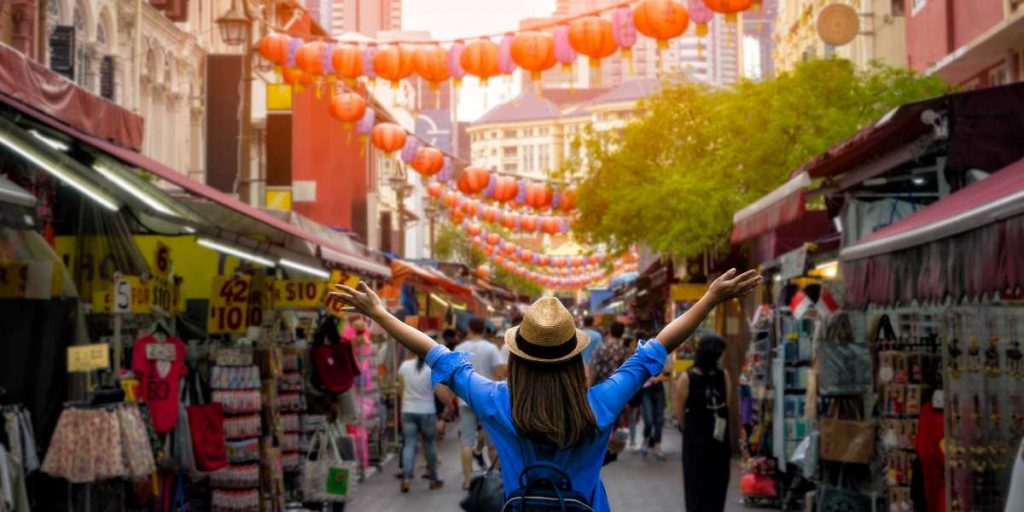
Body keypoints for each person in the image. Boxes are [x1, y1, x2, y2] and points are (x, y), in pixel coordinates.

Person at [331, 268, 759, 512]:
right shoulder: (600, 405)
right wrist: (709, 300)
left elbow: (439, 354)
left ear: (518, 356)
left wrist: (381, 315)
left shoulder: (499, 402)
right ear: (575, 357)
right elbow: (657, 349)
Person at [673, 334, 732, 512]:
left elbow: (727, 404)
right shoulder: (687, 378)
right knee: (696, 485)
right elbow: (679, 410)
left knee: (718, 484)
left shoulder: (724, 375)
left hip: (718, 441)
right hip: (696, 441)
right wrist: (689, 430)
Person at [454, 317, 504, 489]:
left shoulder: (459, 348)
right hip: (487, 398)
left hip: (465, 398)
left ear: (469, 329)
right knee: (492, 442)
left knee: (466, 441)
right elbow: (499, 372)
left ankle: (467, 480)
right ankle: (497, 479)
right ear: (484, 330)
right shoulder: (490, 348)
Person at [397, 352, 451, 492]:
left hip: (408, 411)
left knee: (409, 444)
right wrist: (449, 406)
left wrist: (406, 404)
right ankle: (433, 478)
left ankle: (406, 478)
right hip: (427, 411)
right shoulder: (432, 370)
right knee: (429, 444)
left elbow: (400, 391)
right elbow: (441, 393)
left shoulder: (404, 366)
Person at [588, 321, 630, 386]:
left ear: (610, 331)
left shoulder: (602, 348)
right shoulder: (625, 350)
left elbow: (594, 370)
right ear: (622, 333)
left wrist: (589, 387)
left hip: (602, 386)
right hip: (619, 386)